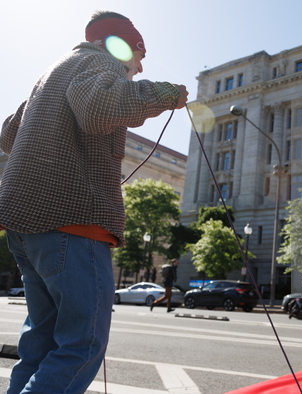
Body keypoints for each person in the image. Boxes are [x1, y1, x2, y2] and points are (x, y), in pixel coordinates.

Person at [0, 10, 188, 394]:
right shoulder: (98, 62)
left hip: (23, 224)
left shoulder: (51, 72)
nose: (138, 66)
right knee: (80, 345)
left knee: (39, 347)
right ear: (119, 47)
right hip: (70, 220)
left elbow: (7, 135)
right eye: (140, 55)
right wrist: (167, 93)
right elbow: (98, 109)